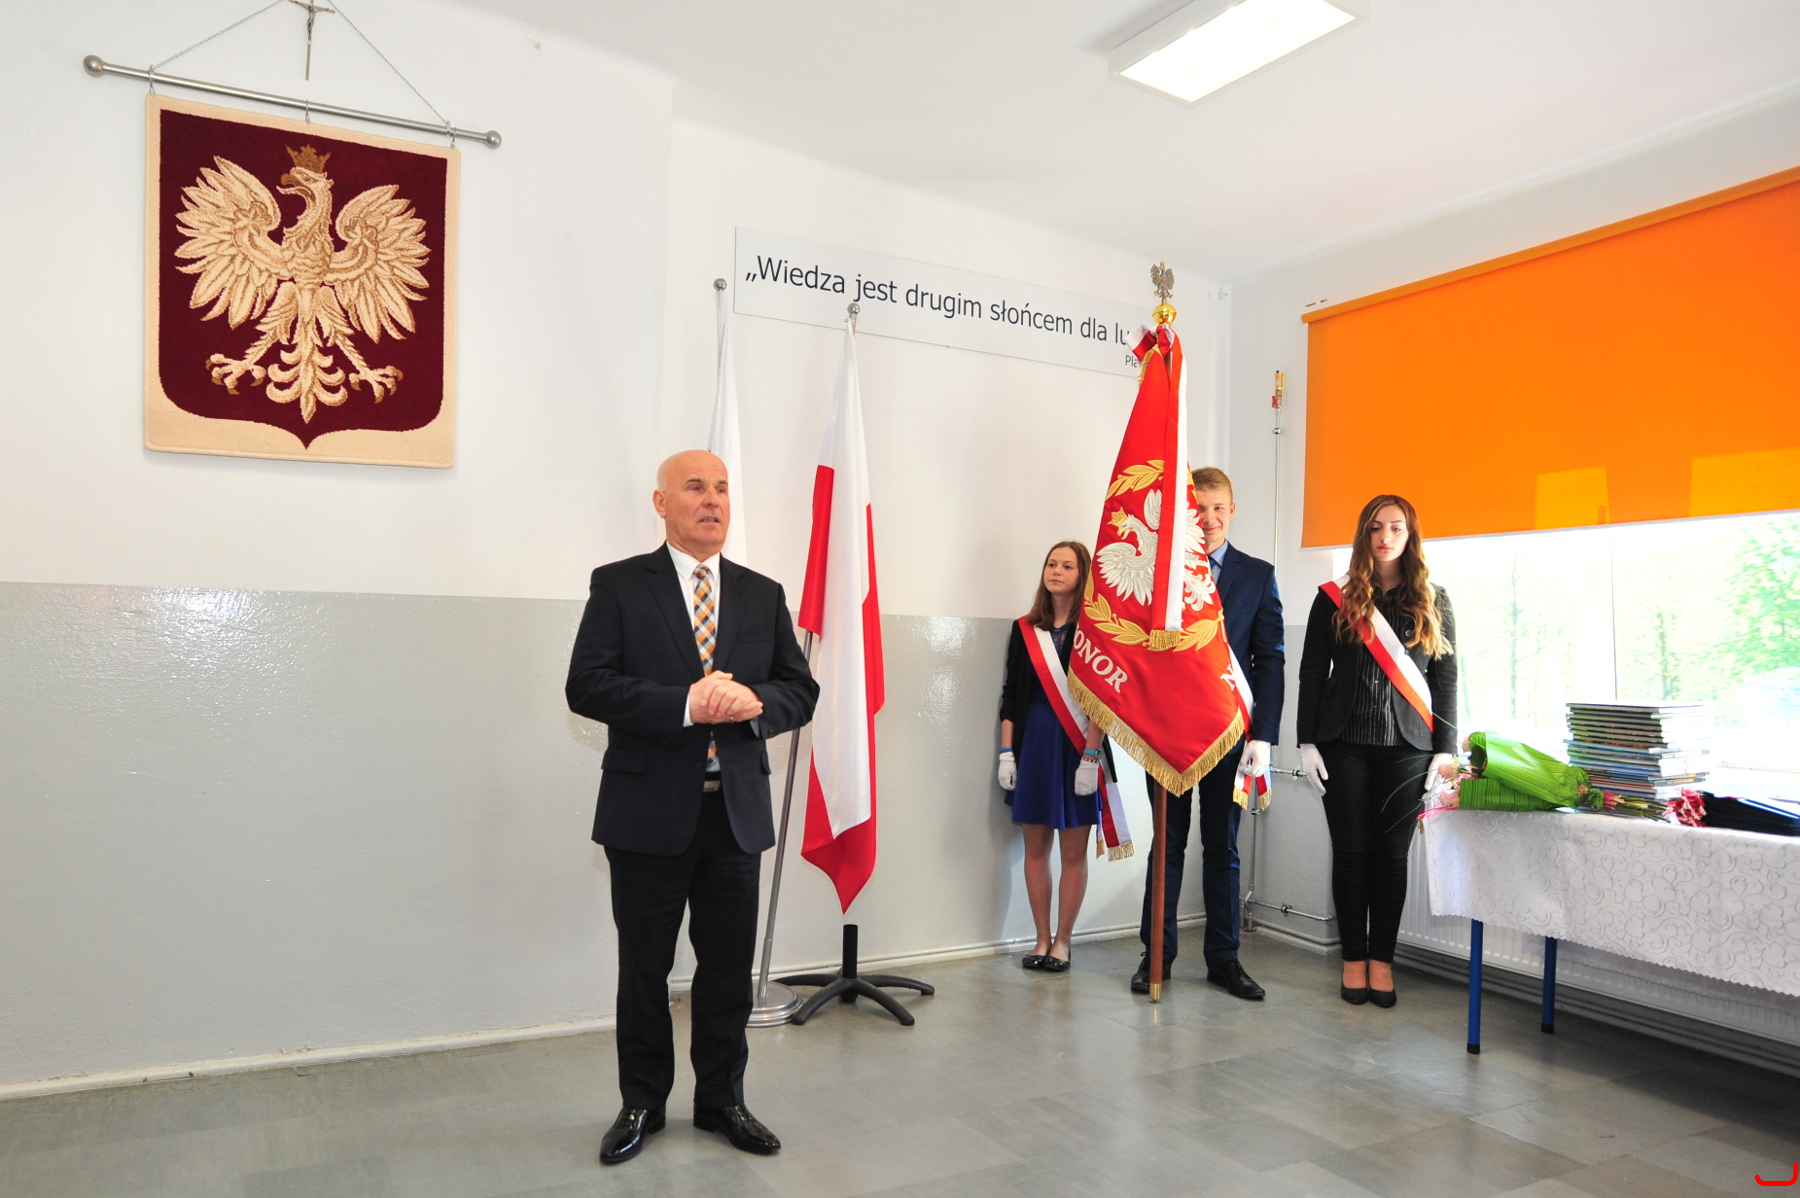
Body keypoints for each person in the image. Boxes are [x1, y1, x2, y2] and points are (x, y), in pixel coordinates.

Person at [566, 450, 818, 1166]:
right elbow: (587, 685)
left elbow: (800, 690)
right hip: (646, 814)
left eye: (723, 489)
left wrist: (754, 701)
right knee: (644, 971)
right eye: (696, 487)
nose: (712, 500)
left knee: (727, 971)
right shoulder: (620, 584)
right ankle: (642, 1102)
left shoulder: (762, 593)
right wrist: (685, 703)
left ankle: (722, 1101)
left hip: (733, 815)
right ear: (661, 502)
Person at [1296, 493, 1457, 1009]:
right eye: (1375, 527)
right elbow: (1310, 674)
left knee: (1391, 857)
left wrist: (1444, 750)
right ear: (1363, 534)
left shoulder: (1434, 600)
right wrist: (1306, 740)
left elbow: (1446, 680)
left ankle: (1382, 961)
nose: (1385, 537)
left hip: (1408, 749)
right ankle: (1352, 959)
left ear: (1410, 536)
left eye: (1396, 528)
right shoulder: (1333, 598)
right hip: (1341, 745)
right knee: (1350, 854)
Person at [1131, 467, 1285, 1000]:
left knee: (1223, 846)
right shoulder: (1159, 574)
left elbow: (1270, 659)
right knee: (1167, 846)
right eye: (1199, 508)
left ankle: (1224, 958)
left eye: (1218, 507)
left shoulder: (1258, 575)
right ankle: (1157, 954)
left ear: (1232, 510)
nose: (1209, 518)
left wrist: (1263, 735)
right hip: (1169, 732)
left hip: (1230, 735)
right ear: (1185, 513)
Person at [998, 541, 1108, 973]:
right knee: (1036, 849)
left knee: (1073, 853)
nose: (1056, 571)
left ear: (1083, 575)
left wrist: (1091, 756)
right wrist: (1006, 752)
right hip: (1034, 747)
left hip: (1078, 748)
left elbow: (1101, 700)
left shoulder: (1097, 630)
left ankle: (1063, 941)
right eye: (1051, 563)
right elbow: (1011, 695)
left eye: (1067, 566)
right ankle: (1041, 939)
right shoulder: (1024, 629)